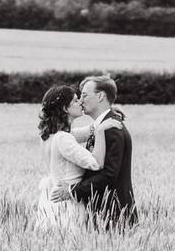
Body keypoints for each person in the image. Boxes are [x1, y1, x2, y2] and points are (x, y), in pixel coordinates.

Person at [51, 75, 138, 229]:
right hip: (103, 214)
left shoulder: (112, 129)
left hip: (114, 215)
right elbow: (62, 137)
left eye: (84, 95)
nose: (81, 100)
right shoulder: (102, 126)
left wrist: (71, 191)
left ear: (100, 96)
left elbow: (109, 174)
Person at [35, 85, 121, 231]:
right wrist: (100, 131)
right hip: (68, 205)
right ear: (65, 109)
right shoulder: (63, 139)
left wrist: (107, 115)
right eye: (75, 101)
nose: (80, 102)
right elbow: (96, 163)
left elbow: (85, 132)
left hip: (53, 202)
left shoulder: (51, 135)